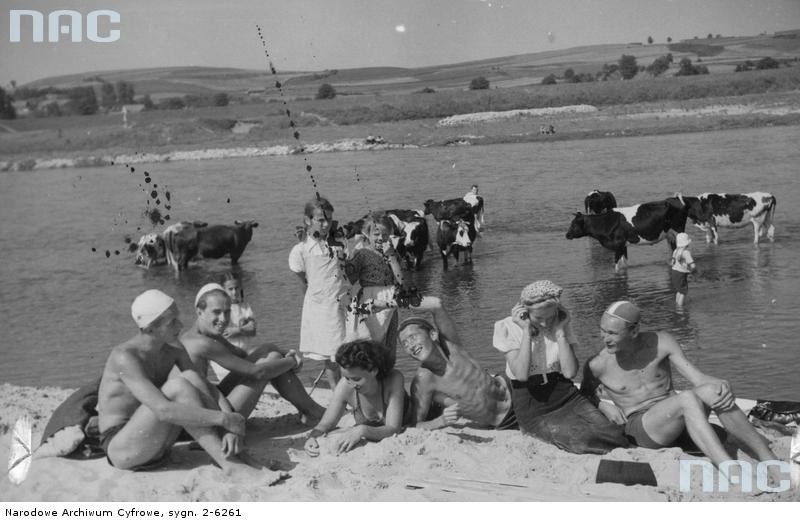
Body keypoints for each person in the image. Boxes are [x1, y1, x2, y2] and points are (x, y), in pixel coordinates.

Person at [96, 289, 281, 483]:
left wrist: (230, 426)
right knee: (178, 387)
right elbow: (163, 410)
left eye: (178, 318)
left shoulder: (173, 347)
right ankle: (231, 466)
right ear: (150, 328)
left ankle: (237, 457)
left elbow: (204, 386)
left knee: (190, 382)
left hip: (159, 443)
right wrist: (223, 419)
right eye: (172, 322)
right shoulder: (124, 356)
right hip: (124, 448)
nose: (181, 325)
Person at [582, 300, 778, 474]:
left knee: (713, 391)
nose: (604, 338)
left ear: (634, 331)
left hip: (678, 418)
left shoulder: (661, 342)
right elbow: (583, 397)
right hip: (644, 429)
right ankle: (731, 470)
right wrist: (604, 406)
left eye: (612, 333)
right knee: (686, 399)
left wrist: (721, 384)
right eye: (602, 330)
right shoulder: (598, 365)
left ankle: (768, 458)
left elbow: (698, 379)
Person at [492, 280, 629, 454]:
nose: (544, 323)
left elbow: (570, 372)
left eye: (550, 317)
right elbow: (521, 375)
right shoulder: (508, 327)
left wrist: (560, 332)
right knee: (581, 441)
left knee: (615, 435)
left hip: (565, 394)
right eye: (539, 318)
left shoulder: (560, 324)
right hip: (532, 403)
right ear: (524, 311)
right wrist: (526, 330)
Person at [181, 284, 325, 425]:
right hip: (207, 419)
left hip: (209, 402)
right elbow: (258, 373)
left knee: (268, 351)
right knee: (272, 360)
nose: (224, 319)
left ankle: (310, 410)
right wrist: (291, 361)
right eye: (217, 312)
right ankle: (313, 411)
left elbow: (242, 354)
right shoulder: (202, 343)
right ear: (200, 312)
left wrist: (280, 350)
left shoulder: (200, 335)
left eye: (227, 312)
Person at [397, 296, 517, 431]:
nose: (410, 345)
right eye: (405, 344)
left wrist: (391, 302)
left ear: (433, 335)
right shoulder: (424, 380)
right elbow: (416, 424)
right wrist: (440, 421)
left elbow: (436, 304)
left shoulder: (452, 347)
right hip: (504, 421)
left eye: (412, 337)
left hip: (515, 391)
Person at [304, 340, 412, 456]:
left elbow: (393, 429)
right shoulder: (344, 386)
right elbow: (325, 425)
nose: (351, 384)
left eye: (356, 379)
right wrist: (312, 437)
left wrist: (362, 430)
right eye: (346, 378)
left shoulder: (393, 379)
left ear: (373, 370)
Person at [289, 196, 351, 390]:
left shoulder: (338, 244)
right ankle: (337, 393)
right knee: (332, 356)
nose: (325, 224)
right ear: (308, 220)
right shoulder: (302, 249)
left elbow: (346, 274)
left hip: (343, 303)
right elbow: (303, 281)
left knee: (348, 350)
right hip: (321, 307)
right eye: (320, 220)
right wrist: (316, 306)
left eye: (329, 220)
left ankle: (350, 389)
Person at [344, 212, 406, 369]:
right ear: (367, 234)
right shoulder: (361, 254)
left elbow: (401, 280)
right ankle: (372, 378)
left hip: (391, 301)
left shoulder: (392, 252)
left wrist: (391, 257)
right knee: (372, 343)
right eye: (376, 234)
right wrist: (345, 259)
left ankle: (388, 376)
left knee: (390, 343)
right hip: (371, 300)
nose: (381, 238)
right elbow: (349, 278)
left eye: (385, 234)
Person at [670, 232, 696, 307]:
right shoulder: (686, 252)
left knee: (679, 290)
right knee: (684, 291)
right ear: (687, 243)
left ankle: (677, 303)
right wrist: (695, 271)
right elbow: (692, 265)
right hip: (681, 274)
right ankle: (679, 308)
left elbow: (672, 262)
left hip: (674, 272)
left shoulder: (675, 251)